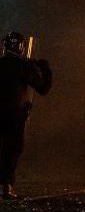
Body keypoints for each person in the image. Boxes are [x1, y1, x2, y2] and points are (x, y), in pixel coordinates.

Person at [0, 32, 52, 200]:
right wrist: (45, 69)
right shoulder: (24, 65)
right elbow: (43, 88)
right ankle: (7, 186)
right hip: (15, 114)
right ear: (21, 47)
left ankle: (7, 185)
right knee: (12, 149)